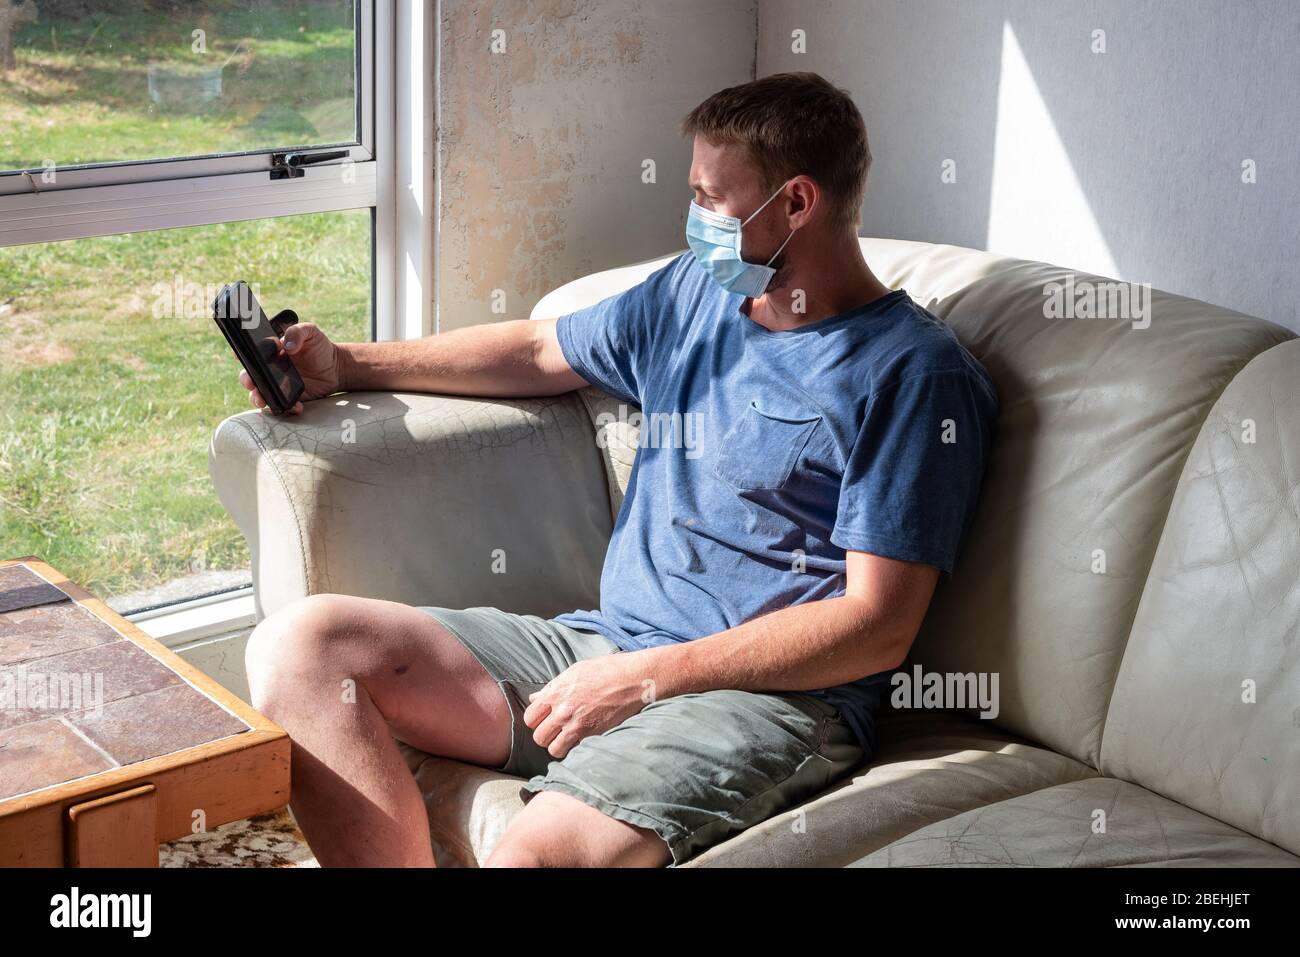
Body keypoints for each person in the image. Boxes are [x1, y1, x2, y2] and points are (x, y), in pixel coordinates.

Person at [240, 72, 999, 867]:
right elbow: (540, 350)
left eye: (711, 197)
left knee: (534, 857)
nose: (695, 217)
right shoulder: (694, 297)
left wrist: (648, 681)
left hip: (767, 702)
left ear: (797, 203)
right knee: (303, 648)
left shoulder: (913, 375)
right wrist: (346, 365)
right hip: (605, 647)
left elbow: (878, 624)